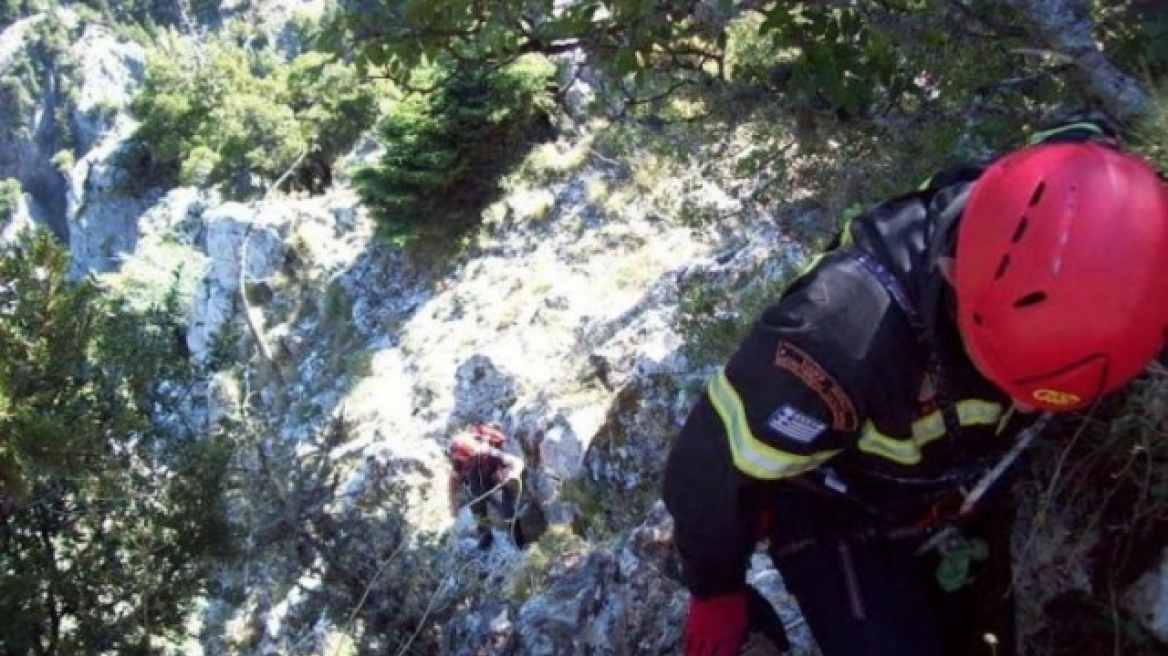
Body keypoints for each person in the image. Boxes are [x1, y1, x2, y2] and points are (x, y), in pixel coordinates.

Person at [662, 116, 1168, 656]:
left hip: (965, 481)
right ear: (954, 276)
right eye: (1008, 376)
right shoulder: (837, 337)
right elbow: (712, 461)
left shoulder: (1099, 213)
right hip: (839, 503)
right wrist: (716, 588)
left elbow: (1080, 152)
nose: (1023, 402)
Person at [449, 423, 528, 551]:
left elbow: (516, 462)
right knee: (479, 516)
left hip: (494, 484)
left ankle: (520, 543)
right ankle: (486, 537)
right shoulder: (458, 460)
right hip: (474, 489)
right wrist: (452, 503)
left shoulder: (486, 450)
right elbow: (453, 480)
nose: (469, 461)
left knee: (509, 512)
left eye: (471, 458)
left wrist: (513, 473)